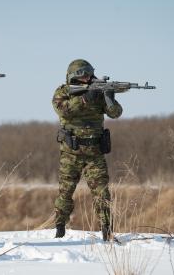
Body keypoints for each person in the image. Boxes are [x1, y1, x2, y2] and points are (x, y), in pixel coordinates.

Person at [52, 59, 123, 241]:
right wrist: (85, 99)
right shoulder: (63, 91)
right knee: (65, 193)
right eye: (84, 74)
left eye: (89, 73)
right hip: (71, 153)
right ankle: (60, 229)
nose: (88, 77)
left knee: (102, 194)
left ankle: (107, 231)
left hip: (94, 154)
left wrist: (108, 96)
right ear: (75, 75)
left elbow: (115, 113)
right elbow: (63, 111)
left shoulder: (98, 91)